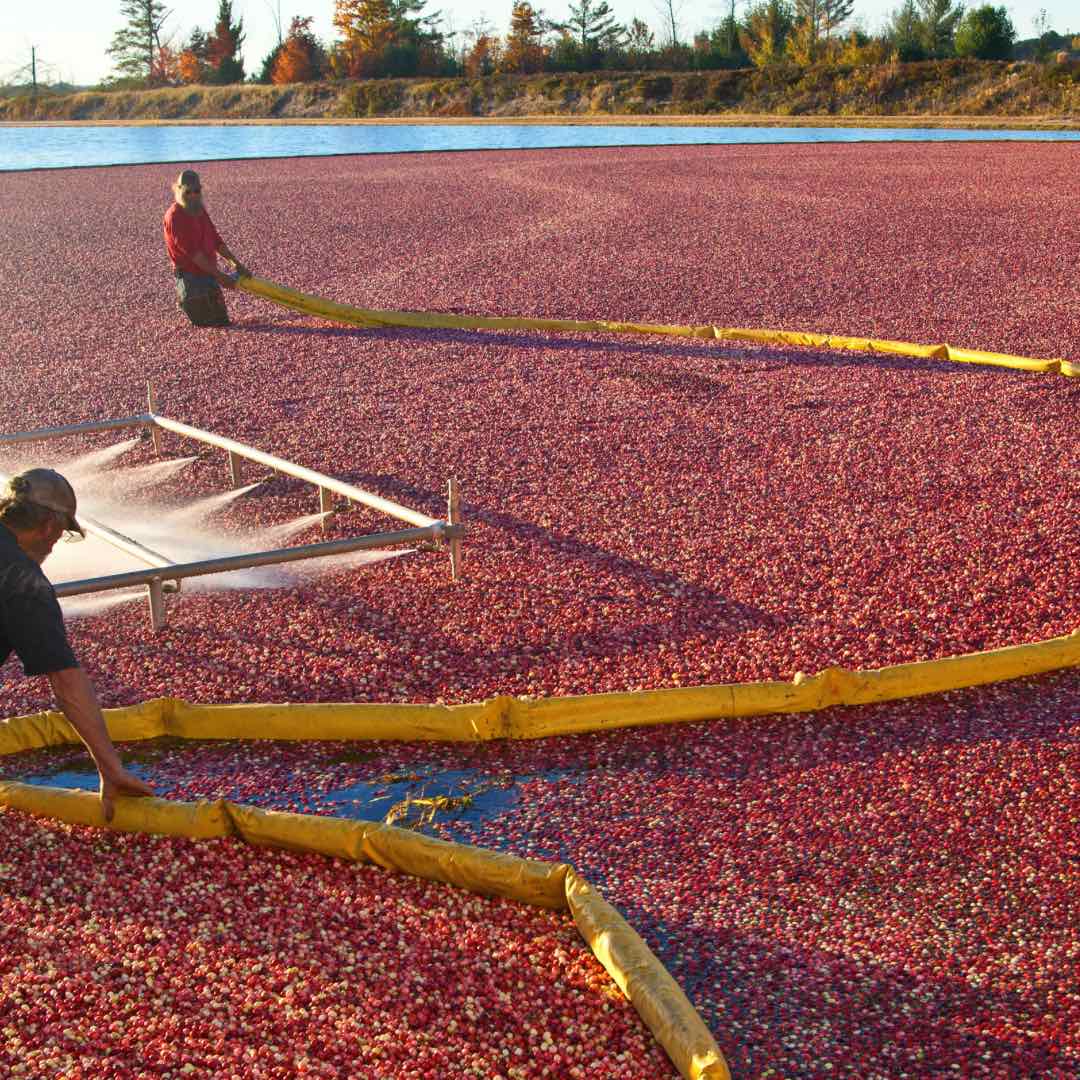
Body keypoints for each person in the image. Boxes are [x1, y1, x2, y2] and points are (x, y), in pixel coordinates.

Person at [0, 469, 154, 822]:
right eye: (60, 534)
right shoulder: (22, 580)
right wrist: (110, 767)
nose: (54, 545)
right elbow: (66, 680)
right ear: (50, 527)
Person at [163, 168, 248, 327]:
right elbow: (193, 254)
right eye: (188, 191)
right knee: (212, 326)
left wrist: (236, 264)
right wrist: (220, 276)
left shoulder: (198, 210)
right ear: (178, 189)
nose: (193, 195)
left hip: (208, 275)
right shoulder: (175, 216)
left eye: (196, 191)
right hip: (192, 280)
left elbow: (216, 241)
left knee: (222, 322)